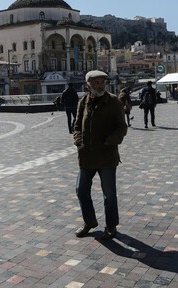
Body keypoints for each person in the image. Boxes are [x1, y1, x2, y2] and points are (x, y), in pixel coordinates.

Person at [73, 70, 127, 240]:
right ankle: (89, 221)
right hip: (87, 156)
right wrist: (79, 141)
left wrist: (109, 141)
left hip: (106, 156)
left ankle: (111, 226)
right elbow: (77, 126)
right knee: (81, 189)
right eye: (96, 82)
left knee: (109, 194)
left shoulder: (113, 102)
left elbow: (122, 128)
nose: (100, 85)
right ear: (88, 84)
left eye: (102, 82)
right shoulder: (83, 101)